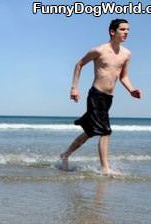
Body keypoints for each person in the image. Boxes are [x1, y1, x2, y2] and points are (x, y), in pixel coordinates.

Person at [60, 19, 141, 175]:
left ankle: (65, 155)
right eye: (123, 29)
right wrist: (74, 88)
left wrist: (131, 90)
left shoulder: (126, 54)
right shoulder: (99, 50)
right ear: (112, 32)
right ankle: (105, 168)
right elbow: (79, 64)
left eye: (128, 30)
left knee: (90, 132)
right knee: (105, 130)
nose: (126, 32)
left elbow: (124, 76)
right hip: (96, 95)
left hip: (108, 98)